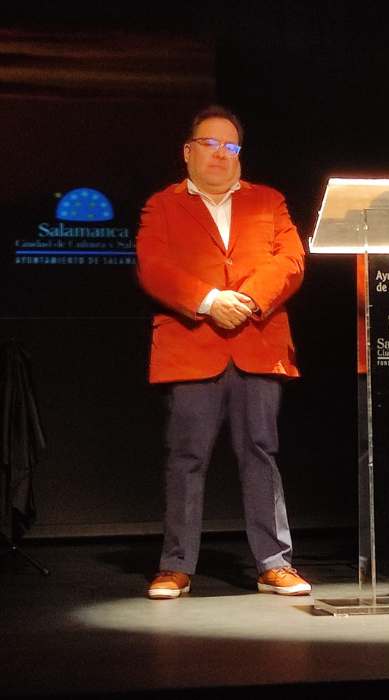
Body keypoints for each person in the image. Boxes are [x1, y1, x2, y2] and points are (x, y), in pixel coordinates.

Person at [135, 105, 310, 599]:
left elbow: (291, 260)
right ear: (188, 152)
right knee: (186, 456)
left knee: (261, 452)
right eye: (209, 144)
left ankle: (275, 562)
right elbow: (154, 266)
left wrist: (249, 301)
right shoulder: (162, 205)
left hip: (258, 342)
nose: (220, 154)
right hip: (192, 345)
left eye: (229, 146)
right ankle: (175, 565)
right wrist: (210, 301)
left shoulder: (269, 200)